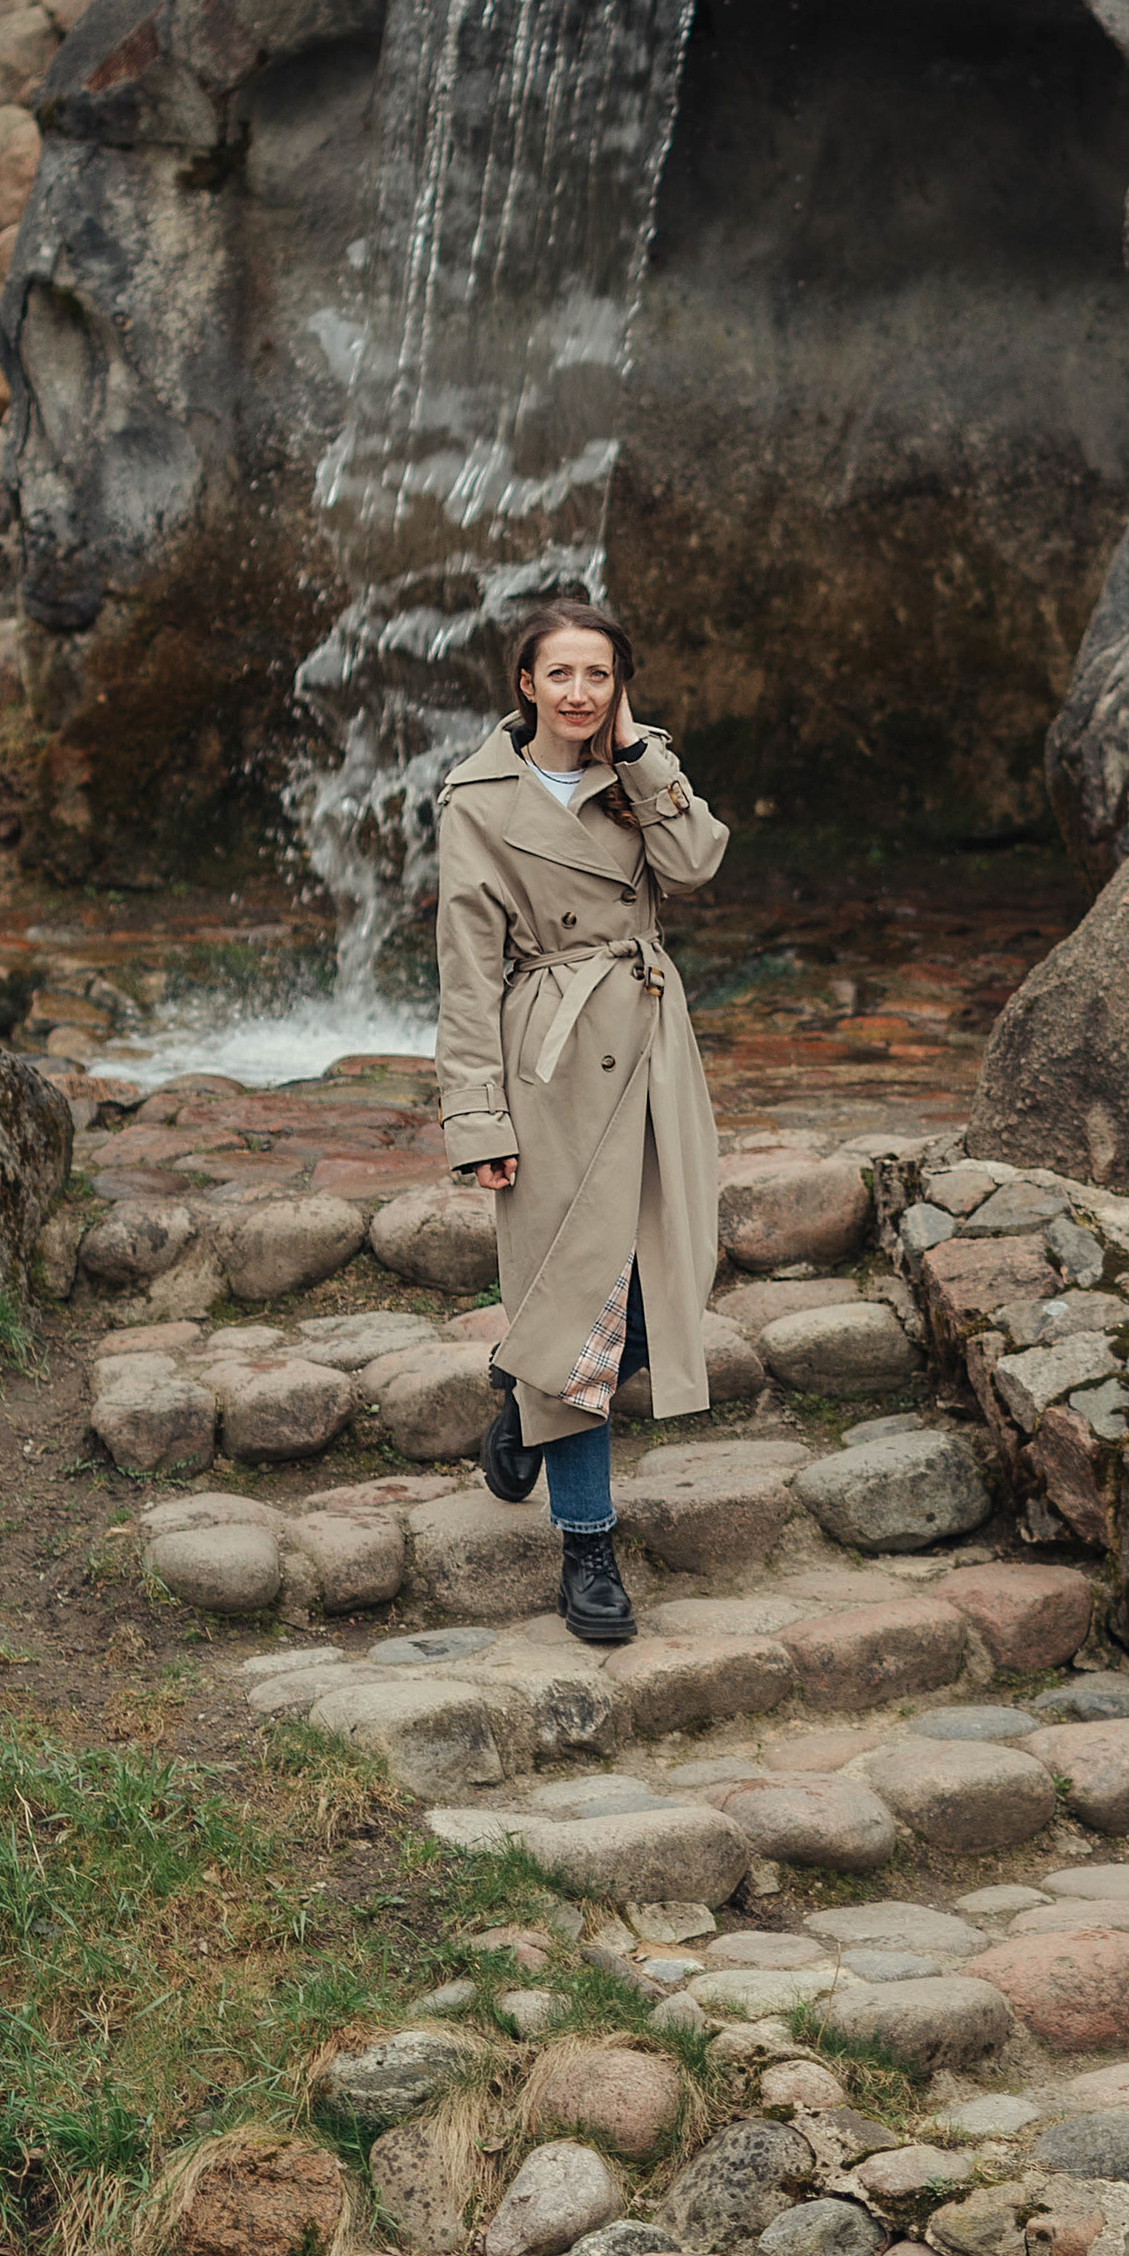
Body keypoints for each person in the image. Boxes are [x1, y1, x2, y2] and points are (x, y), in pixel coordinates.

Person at [434, 597, 729, 1646]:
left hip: (650, 1046)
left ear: (619, 684)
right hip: (549, 1065)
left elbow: (696, 866)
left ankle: (519, 1407)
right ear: (525, 681)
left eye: (597, 674)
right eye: (559, 672)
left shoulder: (641, 768)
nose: (577, 692)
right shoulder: (475, 796)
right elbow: (466, 967)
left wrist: (641, 752)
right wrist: (477, 1115)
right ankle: (587, 1544)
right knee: (586, 1297)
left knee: (667, 1276)